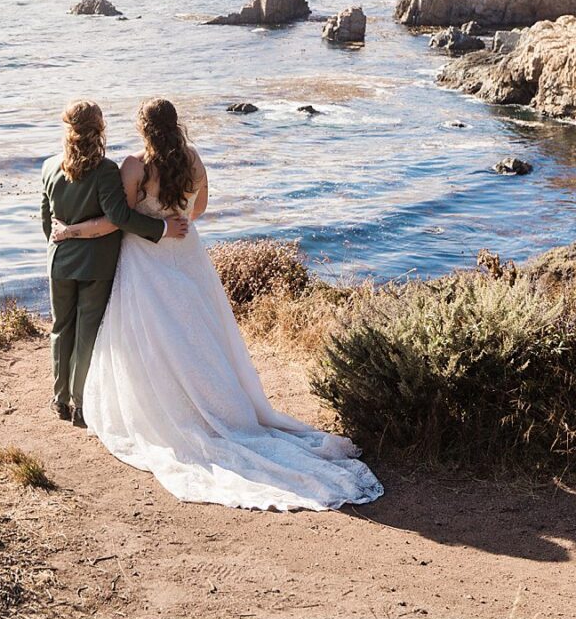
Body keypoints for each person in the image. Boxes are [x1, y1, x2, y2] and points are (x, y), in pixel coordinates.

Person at [50, 98, 382, 511]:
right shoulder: (193, 159)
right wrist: (176, 220)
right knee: (197, 330)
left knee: (151, 332)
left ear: (142, 128)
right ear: (175, 124)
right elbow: (200, 208)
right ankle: (217, 402)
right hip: (187, 251)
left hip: (146, 258)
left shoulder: (134, 165)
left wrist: (149, 225)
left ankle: (159, 404)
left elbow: (124, 216)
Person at [39, 100, 189, 427]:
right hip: (97, 264)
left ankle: (59, 399)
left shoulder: (49, 167)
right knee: (86, 332)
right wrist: (163, 229)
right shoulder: (106, 171)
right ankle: (80, 404)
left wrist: (62, 244)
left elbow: (46, 221)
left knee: (60, 328)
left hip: (59, 262)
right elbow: (120, 217)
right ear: (99, 129)